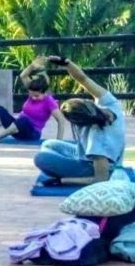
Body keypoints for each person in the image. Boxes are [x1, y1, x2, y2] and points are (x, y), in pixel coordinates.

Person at [33, 56, 126, 186]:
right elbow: (83, 79)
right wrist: (66, 63)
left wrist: (62, 181)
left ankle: (70, 170)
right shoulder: (110, 104)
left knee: (41, 158)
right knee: (49, 144)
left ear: (78, 122)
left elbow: (101, 180)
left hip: (93, 167)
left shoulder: (98, 143)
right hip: (85, 154)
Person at [0, 57, 67, 144]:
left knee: (24, 120)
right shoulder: (32, 89)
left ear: (44, 92)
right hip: (17, 128)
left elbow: (61, 120)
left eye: (36, 96)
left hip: (32, 134)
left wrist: (58, 142)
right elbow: (23, 75)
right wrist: (32, 65)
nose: (33, 98)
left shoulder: (48, 101)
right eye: (31, 95)